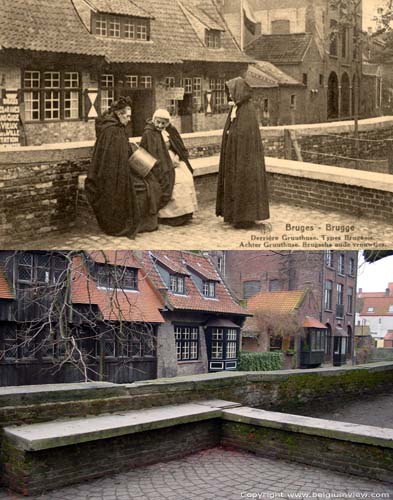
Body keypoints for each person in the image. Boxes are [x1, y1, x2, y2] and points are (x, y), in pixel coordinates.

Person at [216, 76, 270, 229]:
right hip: (234, 155)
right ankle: (234, 215)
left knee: (244, 184)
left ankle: (245, 217)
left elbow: (244, 135)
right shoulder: (236, 109)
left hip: (245, 159)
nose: (230, 96)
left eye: (232, 92)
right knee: (233, 182)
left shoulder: (247, 110)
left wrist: (230, 135)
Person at [85, 97, 141, 238]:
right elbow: (109, 156)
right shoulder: (111, 130)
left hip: (119, 170)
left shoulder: (118, 128)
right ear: (119, 114)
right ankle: (116, 224)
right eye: (127, 116)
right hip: (110, 173)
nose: (129, 119)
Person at [140, 109, 198, 226]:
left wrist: (177, 157)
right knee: (175, 181)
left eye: (163, 123)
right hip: (160, 164)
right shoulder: (149, 133)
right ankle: (170, 216)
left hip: (173, 159)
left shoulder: (170, 131)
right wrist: (167, 163)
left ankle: (185, 213)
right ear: (153, 120)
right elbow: (150, 153)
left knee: (186, 177)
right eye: (158, 122)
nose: (160, 125)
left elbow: (178, 146)